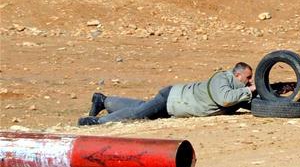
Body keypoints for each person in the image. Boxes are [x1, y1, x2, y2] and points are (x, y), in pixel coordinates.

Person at [77, 63, 255, 125]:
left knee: (142, 107)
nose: (248, 81)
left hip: (175, 104)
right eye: (247, 78)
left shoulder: (235, 88)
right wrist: (249, 90)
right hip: (173, 98)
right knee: (140, 114)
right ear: (237, 74)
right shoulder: (221, 79)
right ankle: (95, 122)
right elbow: (224, 100)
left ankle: (104, 101)